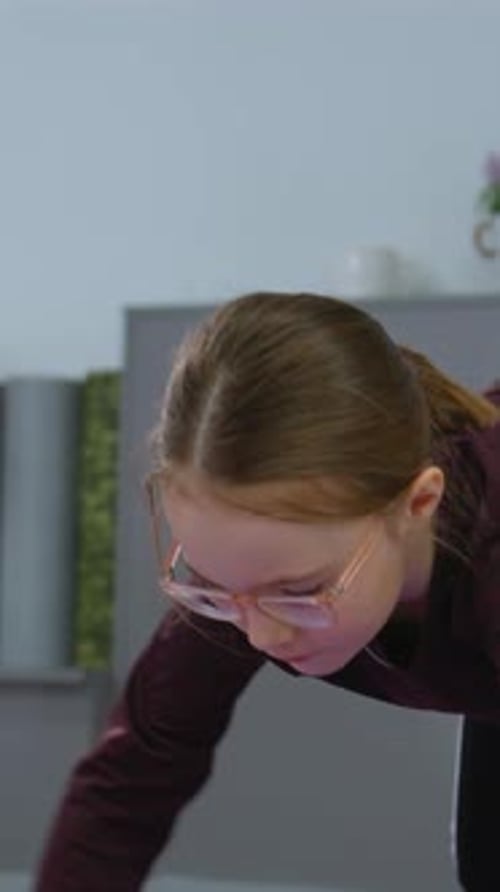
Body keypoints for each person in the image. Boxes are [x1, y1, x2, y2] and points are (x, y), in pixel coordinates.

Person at [35, 291, 500, 892]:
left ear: (417, 504)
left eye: (300, 592)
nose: (260, 633)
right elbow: (136, 772)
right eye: (216, 585)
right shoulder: (248, 578)